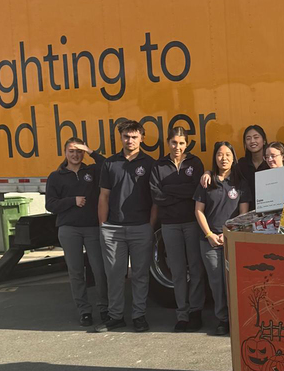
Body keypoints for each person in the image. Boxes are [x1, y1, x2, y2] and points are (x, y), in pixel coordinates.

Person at [98, 120, 156, 332]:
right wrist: (103, 225)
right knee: (115, 274)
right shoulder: (110, 164)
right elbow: (103, 196)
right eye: (126, 136)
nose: (129, 140)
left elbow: (154, 200)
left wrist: (149, 225)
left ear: (141, 138)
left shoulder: (150, 164)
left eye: (134, 136)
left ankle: (139, 316)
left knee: (140, 274)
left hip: (141, 227)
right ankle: (115, 316)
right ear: (120, 138)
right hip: (113, 229)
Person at [45, 138, 108, 327]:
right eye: (72, 151)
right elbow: (50, 205)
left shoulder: (92, 171)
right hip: (69, 229)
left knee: (99, 270)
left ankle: (104, 308)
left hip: (92, 228)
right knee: (76, 272)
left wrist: (90, 150)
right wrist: (72, 201)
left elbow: (107, 165)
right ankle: (84, 311)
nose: (75, 155)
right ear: (65, 153)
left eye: (79, 151)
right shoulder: (56, 176)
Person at [150, 127, 206, 332]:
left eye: (181, 143)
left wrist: (170, 190)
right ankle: (182, 314)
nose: (177, 147)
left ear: (187, 144)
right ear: (168, 142)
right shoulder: (159, 166)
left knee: (196, 268)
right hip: (169, 225)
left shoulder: (195, 163)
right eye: (174, 142)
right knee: (178, 271)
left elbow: (195, 191)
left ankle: (196, 312)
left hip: (191, 223)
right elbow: (156, 195)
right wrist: (181, 192)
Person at [194, 141, 251, 336]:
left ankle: (237, 319)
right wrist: (209, 234)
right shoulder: (207, 182)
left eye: (228, 154)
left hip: (232, 239)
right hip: (209, 242)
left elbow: (244, 214)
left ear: (234, 157)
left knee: (232, 282)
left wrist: (230, 233)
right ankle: (222, 319)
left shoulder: (240, 183)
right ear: (215, 157)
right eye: (219, 154)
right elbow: (199, 211)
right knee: (216, 283)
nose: (223, 158)